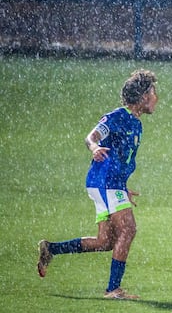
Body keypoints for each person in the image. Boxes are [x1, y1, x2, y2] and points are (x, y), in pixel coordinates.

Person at [37, 69, 159, 300]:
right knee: (129, 229)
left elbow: (122, 160)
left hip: (112, 184)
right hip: (104, 183)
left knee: (105, 242)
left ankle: (51, 249)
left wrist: (123, 188)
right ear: (143, 97)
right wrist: (94, 149)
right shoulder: (116, 117)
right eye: (153, 92)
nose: (156, 97)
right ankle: (113, 290)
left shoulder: (137, 123)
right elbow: (91, 137)